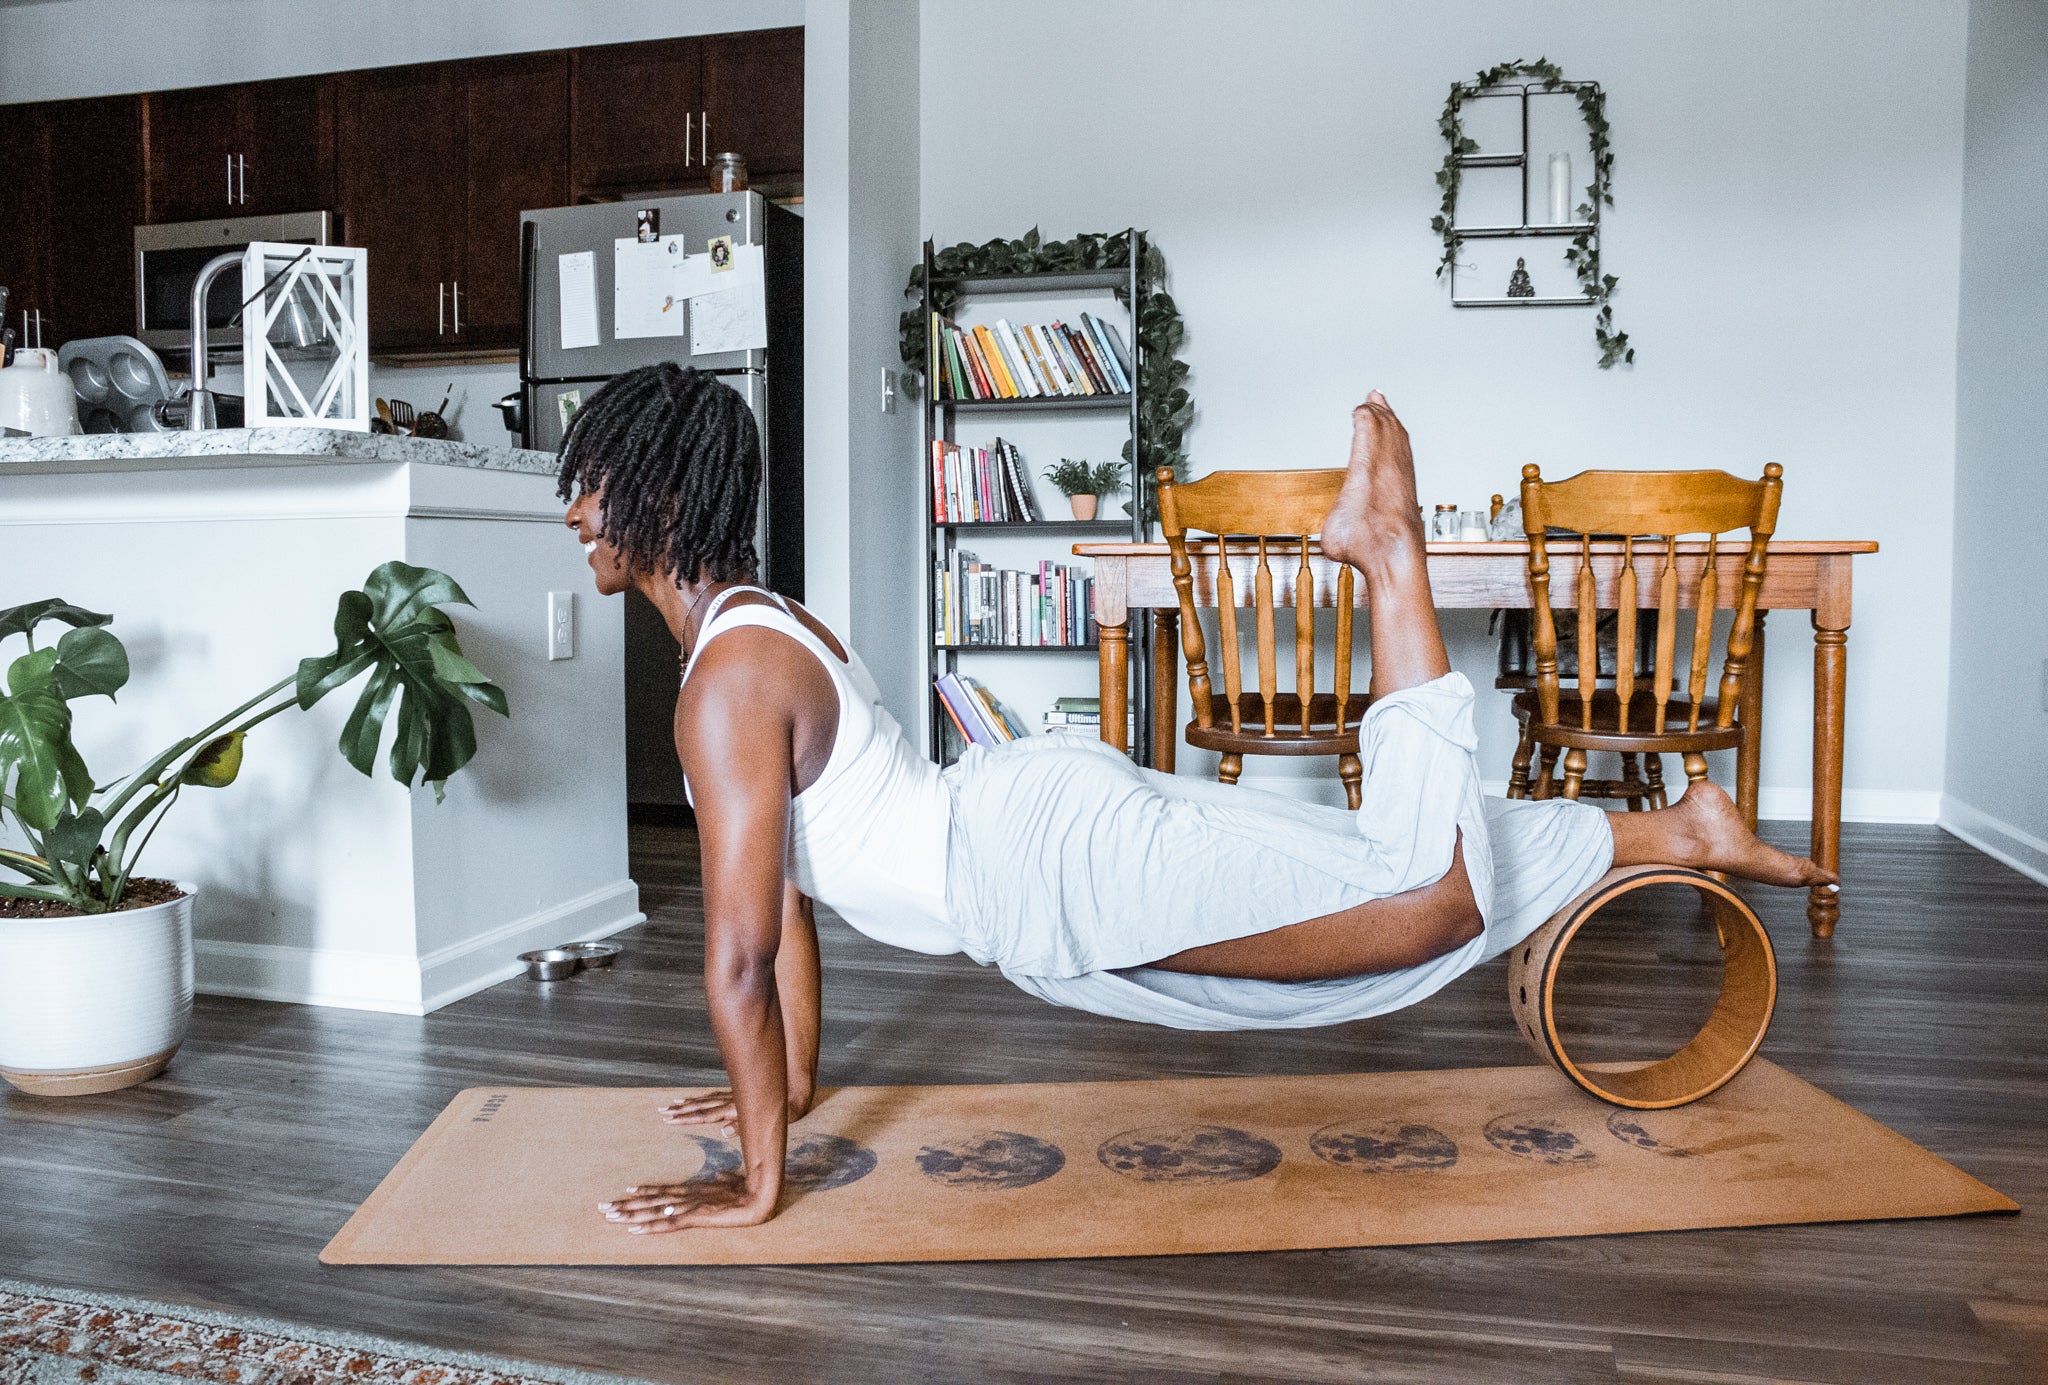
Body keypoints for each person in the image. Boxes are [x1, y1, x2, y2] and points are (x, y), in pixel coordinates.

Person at [557, 364, 1835, 1235]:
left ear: (661, 497)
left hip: (1046, 870)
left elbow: (732, 955)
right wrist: (783, 1097)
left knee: (1423, 903)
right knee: (1376, 866)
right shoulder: (759, 630)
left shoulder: (725, 680)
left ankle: (1390, 555)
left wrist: (756, 1187)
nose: (575, 509)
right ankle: (1669, 829)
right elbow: (779, 918)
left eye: (596, 481)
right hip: (1034, 844)